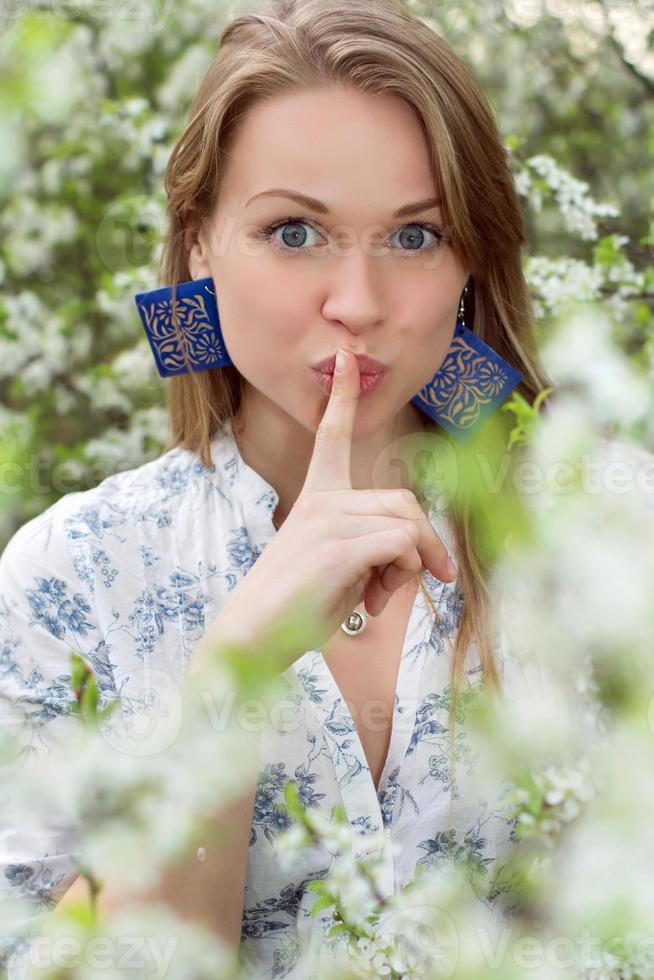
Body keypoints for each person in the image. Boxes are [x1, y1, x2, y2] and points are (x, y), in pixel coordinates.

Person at [0, 0, 557, 976]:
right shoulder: (75, 574)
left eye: (415, 236)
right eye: (295, 231)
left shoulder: (600, 540)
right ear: (200, 244)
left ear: (472, 258)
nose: (357, 302)